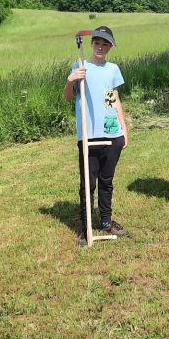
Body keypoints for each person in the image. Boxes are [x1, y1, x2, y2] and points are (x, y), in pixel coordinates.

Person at [63, 26, 130, 245]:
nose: (100, 47)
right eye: (97, 43)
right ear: (91, 44)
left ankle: (106, 221)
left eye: (105, 44)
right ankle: (86, 228)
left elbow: (113, 99)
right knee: (87, 184)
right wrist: (71, 80)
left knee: (106, 181)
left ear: (110, 47)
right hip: (89, 135)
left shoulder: (112, 69)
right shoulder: (81, 66)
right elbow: (67, 97)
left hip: (111, 133)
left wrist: (123, 129)